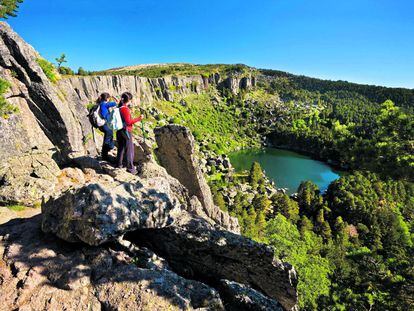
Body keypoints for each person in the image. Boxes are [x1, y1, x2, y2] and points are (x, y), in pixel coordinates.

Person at [116, 92, 144, 174]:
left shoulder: (119, 107)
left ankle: (119, 164)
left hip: (120, 130)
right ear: (129, 100)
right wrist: (139, 118)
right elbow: (128, 122)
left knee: (121, 147)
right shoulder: (125, 109)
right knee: (130, 150)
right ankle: (131, 168)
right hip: (126, 131)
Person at [97, 92, 117, 161]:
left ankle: (104, 155)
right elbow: (115, 103)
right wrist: (114, 98)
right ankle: (110, 148)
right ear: (107, 98)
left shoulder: (100, 103)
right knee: (108, 138)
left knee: (108, 137)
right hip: (105, 124)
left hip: (103, 125)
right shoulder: (104, 104)